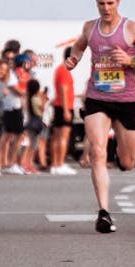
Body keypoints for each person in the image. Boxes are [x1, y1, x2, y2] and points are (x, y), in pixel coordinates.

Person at [65, 0, 135, 234]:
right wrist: (74, 58)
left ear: (118, 2)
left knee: (128, 163)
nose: (106, 8)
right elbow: (79, 46)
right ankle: (103, 212)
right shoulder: (90, 28)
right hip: (97, 97)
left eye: (110, 3)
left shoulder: (131, 29)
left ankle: (121, 155)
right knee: (97, 151)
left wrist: (130, 60)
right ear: (96, 3)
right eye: (101, 4)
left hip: (127, 100)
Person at [47, 46, 78, 175]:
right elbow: (64, 90)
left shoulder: (60, 69)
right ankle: (59, 164)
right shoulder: (65, 70)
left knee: (56, 137)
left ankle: (55, 164)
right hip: (64, 107)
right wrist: (66, 110)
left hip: (59, 106)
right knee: (63, 137)